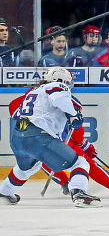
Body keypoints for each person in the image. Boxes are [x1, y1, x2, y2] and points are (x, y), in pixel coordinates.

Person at [0, 67, 101, 207]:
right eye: (67, 82)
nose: (68, 86)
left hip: (18, 137)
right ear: (60, 80)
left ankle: (4, 193)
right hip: (39, 137)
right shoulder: (56, 86)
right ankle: (79, 193)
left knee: (28, 168)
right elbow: (58, 97)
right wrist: (73, 114)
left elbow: (16, 112)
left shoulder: (34, 92)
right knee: (79, 162)